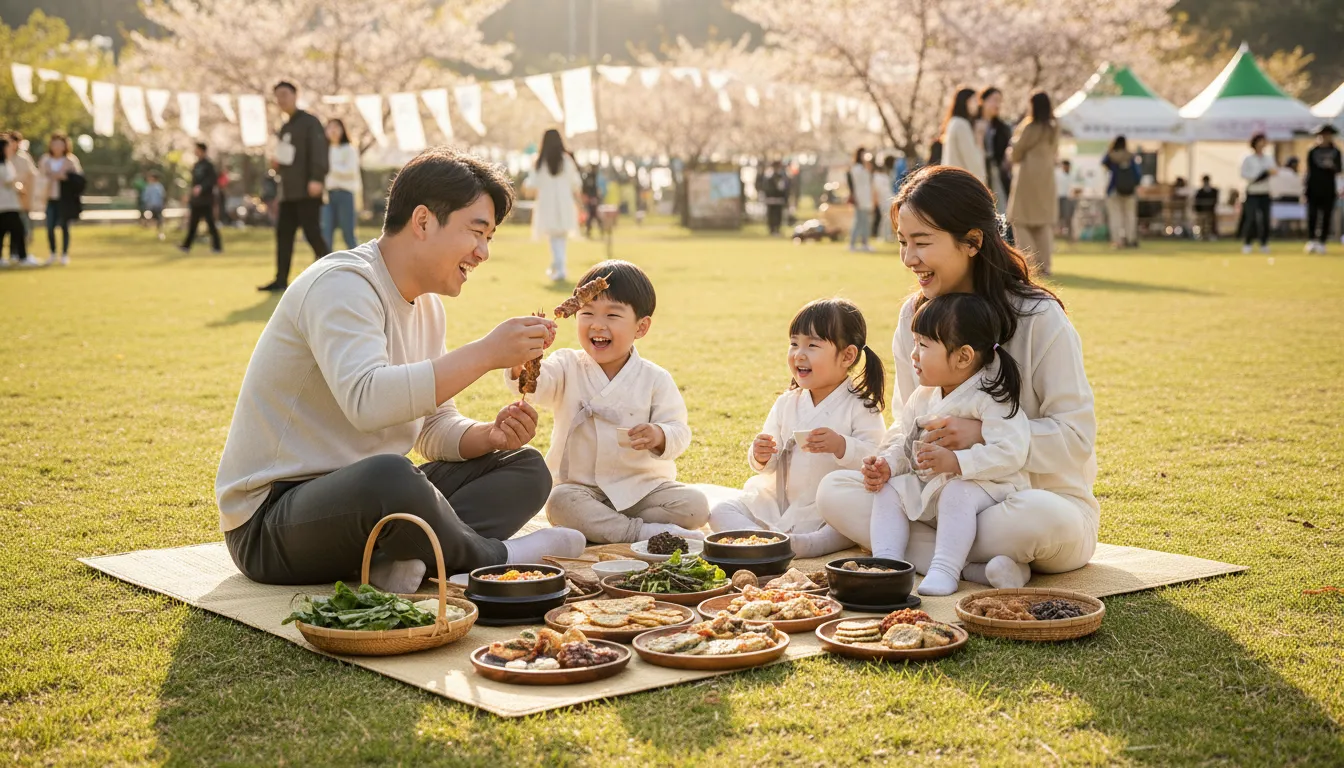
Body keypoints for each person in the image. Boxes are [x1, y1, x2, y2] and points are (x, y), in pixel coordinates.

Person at [216, 146, 584, 590]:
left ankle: (405, 556)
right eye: (477, 232)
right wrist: (486, 354)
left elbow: (433, 427)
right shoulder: (342, 284)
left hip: (364, 504)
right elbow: (367, 401)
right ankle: (491, 556)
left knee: (523, 468)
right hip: (272, 521)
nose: (483, 252)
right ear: (424, 221)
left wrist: (487, 436)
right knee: (390, 475)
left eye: (489, 238)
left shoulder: (428, 306)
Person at [816, 165, 1098, 588]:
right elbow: (908, 423)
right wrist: (888, 466)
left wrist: (981, 433)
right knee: (836, 491)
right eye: (903, 243)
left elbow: (1075, 440)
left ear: (972, 242)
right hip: (936, 499)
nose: (910, 258)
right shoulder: (914, 316)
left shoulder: (1039, 317)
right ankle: (966, 565)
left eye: (922, 242)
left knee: (1045, 521)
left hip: (1023, 504)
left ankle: (923, 555)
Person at [507, 260, 709, 545]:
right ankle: (639, 533)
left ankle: (610, 527)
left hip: (641, 488)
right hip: (581, 489)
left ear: (641, 327)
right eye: (587, 313)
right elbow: (537, 385)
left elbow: (679, 429)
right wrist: (524, 359)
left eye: (613, 315)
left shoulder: (654, 378)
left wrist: (658, 435)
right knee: (560, 503)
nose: (597, 325)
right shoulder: (567, 364)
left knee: (695, 506)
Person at [864, 293, 1031, 596]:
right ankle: (887, 564)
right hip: (935, 491)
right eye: (914, 343)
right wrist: (887, 464)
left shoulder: (992, 398)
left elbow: (1011, 452)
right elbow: (905, 440)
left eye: (923, 345)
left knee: (958, 491)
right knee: (889, 491)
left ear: (963, 357)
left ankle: (945, 569)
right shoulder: (924, 396)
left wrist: (957, 463)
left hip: (989, 490)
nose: (914, 354)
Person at [708, 298, 887, 559]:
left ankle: (777, 543)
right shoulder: (786, 403)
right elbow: (768, 462)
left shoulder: (861, 407)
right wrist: (761, 454)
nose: (798, 354)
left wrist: (841, 445)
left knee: (832, 533)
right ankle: (765, 541)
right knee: (720, 511)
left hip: (828, 510)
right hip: (781, 502)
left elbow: (875, 459)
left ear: (847, 355)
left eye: (812, 345)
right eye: (794, 344)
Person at [260, 81, 329, 292]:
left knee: (312, 234)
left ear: (295, 95)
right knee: (283, 235)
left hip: (307, 191)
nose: (281, 100)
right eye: (277, 96)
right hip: (288, 192)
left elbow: (319, 151)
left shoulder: (310, 122)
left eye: (284, 94)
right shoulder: (285, 126)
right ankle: (281, 279)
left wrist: (317, 178)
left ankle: (334, 272)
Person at [1006, 91, 1059, 275]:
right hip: (1047, 178)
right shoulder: (1053, 127)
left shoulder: (1029, 127)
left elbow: (1016, 153)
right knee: (1043, 224)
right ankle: (1046, 265)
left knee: (1020, 221)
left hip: (1027, 177)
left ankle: (1031, 264)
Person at [525, 129, 581, 282]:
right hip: (564, 202)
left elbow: (532, 183)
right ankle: (558, 266)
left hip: (547, 202)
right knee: (560, 238)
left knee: (554, 238)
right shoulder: (567, 160)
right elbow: (576, 183)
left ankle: (559, 267)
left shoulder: (539, 161)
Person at [38, 132, 84, 266]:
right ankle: (52, 253)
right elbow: (39, 178)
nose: (57, 147)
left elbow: (79, 180)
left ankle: (64, 254)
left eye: (60, 144)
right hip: (50, 197)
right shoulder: (45, 160)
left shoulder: (71, 160)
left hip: (64, 199)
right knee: (50, 226)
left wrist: (65, 177)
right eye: (54, 144)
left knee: (64, 226)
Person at [321, 118, 360, 253]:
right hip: (327, 196)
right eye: (330, 127)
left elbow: (350, 171)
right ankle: (324, 266)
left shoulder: (349, 149)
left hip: (345, 194)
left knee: (348, 234)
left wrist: (330, 168)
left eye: (336, 127)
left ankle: (360, 265)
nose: (333, 131)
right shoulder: (323, 150)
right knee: (326, 233)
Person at [179, 142, 222, 254]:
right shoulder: (196, 165)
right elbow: (193, 183)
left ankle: (217, 247)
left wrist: (202, 187)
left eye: (197, 150)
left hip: (206, 200)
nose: (195, 152)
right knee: (193, 224)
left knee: (211, 224)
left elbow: (212, 181)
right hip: (196, 201)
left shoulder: (209, 165)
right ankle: (186, 246)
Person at [1304, 124, 1341, 254]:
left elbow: (1339, 170)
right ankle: (1311, 240)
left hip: (1328, 189)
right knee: (1312, 215)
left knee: (1326, 216)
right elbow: (1308, 171)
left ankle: (1322, 241)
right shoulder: (1312, 151)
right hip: (1313, 189)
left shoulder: (1336, 152)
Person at [1239, 132, 1276, 254]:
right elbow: (1244, 174)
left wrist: (1267, 174)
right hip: (1252, 192)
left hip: (1265, 192)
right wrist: (1257, 177)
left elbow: (1274, 171)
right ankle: (1248, 243)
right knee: (1251, 219)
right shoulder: (1248, 159)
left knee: (1265, 219)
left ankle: (1264, 243)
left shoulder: (1269, 158)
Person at [938, 88, 985, 184]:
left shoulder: (953, 122)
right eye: (975, 100)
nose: (978, 104)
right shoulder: (961, 125)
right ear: (967, 102)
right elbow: (972, 161)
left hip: (953, 180)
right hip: (962, 182)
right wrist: (979, 139)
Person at [1102, 135, 1141, 249]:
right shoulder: (1131, 156)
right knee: (1130, 216)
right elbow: (1137, 174)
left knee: (1115, 216)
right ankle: (1131, 239)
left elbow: (1104, 164)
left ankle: (1117, 240)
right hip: (1129, 190)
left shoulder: (1110, 156)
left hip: (1114, 189)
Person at [978, 87, 1012, 213]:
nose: (997, 104)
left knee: (999, 207)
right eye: (994, 100)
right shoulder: (973, 124)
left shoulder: (1003, 128)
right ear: (983, 101)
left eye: (1000, 101)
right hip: (978, 170)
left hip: (996, 173)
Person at [0, 135, 30, 266]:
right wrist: (20, 187)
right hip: (6, 204)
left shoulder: (7, 163)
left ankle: (16, 256)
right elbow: (9, 181)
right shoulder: (2, 165)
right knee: (19, 231)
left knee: (5, 232)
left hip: (10, 204)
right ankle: (22, 257)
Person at [7, 131, 36, 248]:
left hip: (22, 199)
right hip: (6, 200)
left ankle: (20, 253)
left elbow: (32, 177)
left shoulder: (24, 158)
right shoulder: (4, 158)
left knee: (23, 227)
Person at [847, 149, 875, 252]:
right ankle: (853, 243)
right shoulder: (856, 168)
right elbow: (855, 184)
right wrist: (855, 198)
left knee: (865, 222)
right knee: (859, 222)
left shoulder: (866, 168)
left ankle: (864, 243)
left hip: (867, 198)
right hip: (859, 198)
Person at [758, 160, 790, 236]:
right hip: (771, 199)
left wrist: (785, 198)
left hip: (779, 199)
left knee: (778, 215)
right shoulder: (769, 176)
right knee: (771, 215)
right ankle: (772, 229)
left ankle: (777, 229)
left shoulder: (782, 176)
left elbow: (786, 188)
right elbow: (766, 187)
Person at [1055, 160, 1078, 243]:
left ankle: (1070, 237)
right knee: (1057, 218)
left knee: (1068, 217)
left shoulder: (1073, 175)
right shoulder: (1057, 174)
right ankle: (1057, 236)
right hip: (1059, 197)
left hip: (1069, 198)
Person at [872, 156, 894, 241]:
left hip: (889, 197)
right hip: (883, 199)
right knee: (885, 217)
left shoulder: (886, 175)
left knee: (888, 217)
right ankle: (883, 236)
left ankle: (886, 235)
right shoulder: (876, 176)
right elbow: (876, 190)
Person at [1193, 175, 1219, 241]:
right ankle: (1202, 236)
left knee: (1209, 225)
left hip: (1210, 211)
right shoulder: (1200, 191)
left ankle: (1209, 235)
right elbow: (1196, 201)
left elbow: (1215, 201)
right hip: (1202, 211)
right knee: (1202, 224)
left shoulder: (1213, 191)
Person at [581, 165, 604, 239]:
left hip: (593, 198)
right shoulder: (591, 177)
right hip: (591, 198)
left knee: (593, 215)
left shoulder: (593, 176)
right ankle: (591, 231)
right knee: (592, 215)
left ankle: (597, 231)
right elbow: (589, 189)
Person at [142, 171, 166, 240]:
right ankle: (148, 225)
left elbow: (162, 196)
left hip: (157, 206)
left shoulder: (158, 187)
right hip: (150, 206)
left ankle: (160, 232)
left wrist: (162, 204)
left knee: (159, 219)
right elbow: (145, 197)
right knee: (148, 217)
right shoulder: (148, 187)